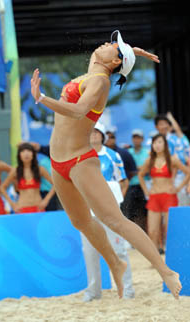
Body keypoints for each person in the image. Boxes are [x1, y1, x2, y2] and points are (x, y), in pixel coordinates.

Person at [31, 30, 182, 299]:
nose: (108, 43)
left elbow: (77, 111)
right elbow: (105, 58)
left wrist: (42, 98)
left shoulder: (100, 82)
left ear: (113, 63)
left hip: (79, 160)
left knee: (115, 220)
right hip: (58, 161)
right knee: (80, 222)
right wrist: (131, 52)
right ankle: (115, 262)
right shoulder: (96, 68)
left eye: (114, 46)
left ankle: (165, 270)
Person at [81, 122, 134, 302]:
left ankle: (127, 290)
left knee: (118, 250)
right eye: (91, 132)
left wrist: (116, 200)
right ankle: (93, 292)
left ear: (103, 136)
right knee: (90, 252)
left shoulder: (112, 156)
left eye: (98, 132)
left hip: (110, 211)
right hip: (88, 211)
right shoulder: (81, 157)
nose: (94, 135)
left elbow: (123, 181)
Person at [138, 133, 190, 252]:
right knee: (152, 230)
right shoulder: (149, 160)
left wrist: (178, 188)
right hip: (154, 197)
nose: (157, 145)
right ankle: (156, 258)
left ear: (165, 145)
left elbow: (188, 173)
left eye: (160, 142)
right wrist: (146, 190)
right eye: (155, 142)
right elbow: (140, 175)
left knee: (169, 229)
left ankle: (171, 256)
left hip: (169, 196)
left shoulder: (172, 159)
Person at [0, 143, 54, 213]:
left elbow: (55, 185)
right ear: (19, 155)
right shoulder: (16, 171)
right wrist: (12, 204)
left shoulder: (40, 169)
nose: (26, 154)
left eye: (29, 151)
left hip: (38, 208)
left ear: (33, 154)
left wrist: (46, 200)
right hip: (22, 208)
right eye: (23, 151)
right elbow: (2, 187)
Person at [124, 129, 149, 230]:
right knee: (130, 212)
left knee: (145, 212)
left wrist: (137, 170)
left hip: (144, 186)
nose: (136, 140)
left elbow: (147, 169)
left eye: (138, 137)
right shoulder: (128, 152)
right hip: (131, 185)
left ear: (142, 139)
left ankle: (145, 234)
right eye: (134, 137)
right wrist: (140, 169)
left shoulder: (147, 152)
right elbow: (128, 170)